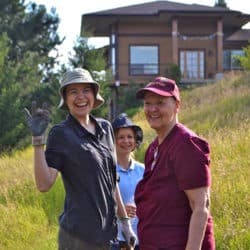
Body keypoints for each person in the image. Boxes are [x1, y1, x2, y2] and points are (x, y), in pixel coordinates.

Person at [24, 68, 136, 250]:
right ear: (66, 99)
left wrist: (126, 225)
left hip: (109, 238)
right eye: (73, 92)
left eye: (85, 90)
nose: (80, 97)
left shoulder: (106, 128)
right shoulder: (61, 134)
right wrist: (38, 140)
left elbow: (111, 182)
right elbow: (44, 184)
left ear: (94, 94)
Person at [134, 76, 215, 250]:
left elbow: (201, 206)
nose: (152, 109)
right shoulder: (153, 148)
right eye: (148, 103)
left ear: (177, 105)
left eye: (161, 102)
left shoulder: (186, 144)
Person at [111, 113, 145, 250]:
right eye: (121, 137)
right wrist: (119, 211)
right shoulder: (107, 172)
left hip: (141, 238)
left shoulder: (143, 170)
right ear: (112, 141)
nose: (126, 141)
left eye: (130, 137)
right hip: (115, 240)